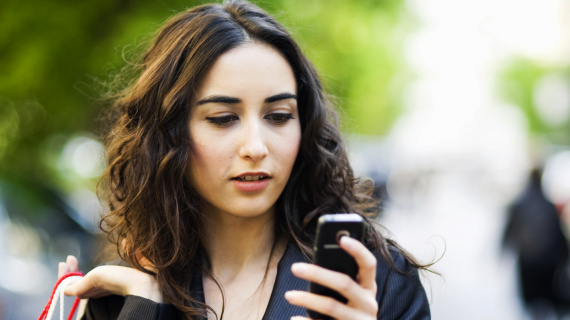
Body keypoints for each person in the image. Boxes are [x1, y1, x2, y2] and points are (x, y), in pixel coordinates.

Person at [57, 1, 431, 319]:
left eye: (279, 116)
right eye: (223, 119)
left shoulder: (377, 281)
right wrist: (144, 305)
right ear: (168, 135)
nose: (256, 146)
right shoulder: (122, 292)